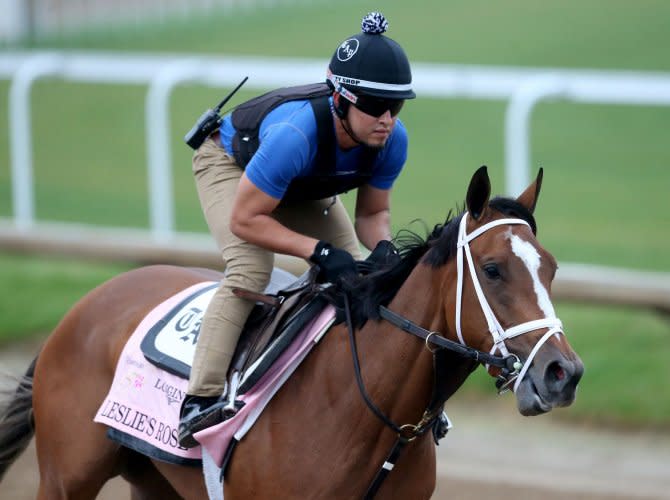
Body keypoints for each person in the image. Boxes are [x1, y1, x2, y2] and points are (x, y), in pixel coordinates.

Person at [178, 11, 416, 448]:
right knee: (250, 269)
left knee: (364, 275)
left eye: (396, 106)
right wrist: (318, 252)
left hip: (302, 183)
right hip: (232, 169)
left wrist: (383, 247)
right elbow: (246, 220)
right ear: (341, 99)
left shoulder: (391, 140)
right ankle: (199, 398)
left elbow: (372, 214)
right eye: (375, 106)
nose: (387, 118)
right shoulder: (295, 133)